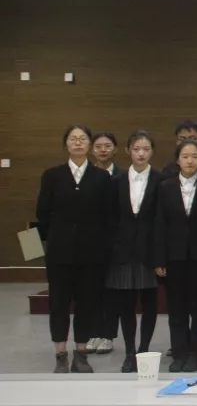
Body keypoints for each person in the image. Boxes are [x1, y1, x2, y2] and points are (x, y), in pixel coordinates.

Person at [37, 125, 115, 374]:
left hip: (91, 254)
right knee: (58, 303)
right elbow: (42, 214)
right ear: (66, 144)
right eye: (73, 139)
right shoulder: (52, 175)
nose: (78, 142)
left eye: (83, 139)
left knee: (86, 303)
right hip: (60, 253)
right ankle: (60, 354)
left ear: (89, 144)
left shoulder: (101, 177)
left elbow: (108, 216)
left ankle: (81, 353)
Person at [105, 130, 163, 373]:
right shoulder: (116, 180)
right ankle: (129, 352)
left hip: (149, 251)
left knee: (150, 304)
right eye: (136, 149)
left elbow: (162, 220)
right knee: (126, 306)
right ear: (128, 150)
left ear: (152, 152)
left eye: (146, 149)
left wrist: (160, 256)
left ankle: (144, 350)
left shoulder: (161, 179)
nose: (141, 153)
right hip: (123, 251)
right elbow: (109, 218)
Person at [154, 139, 197, 373]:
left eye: (195, 156)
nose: (190, 161)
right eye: (185, 156)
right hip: (174, 256)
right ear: (177, 160)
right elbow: (159, 224)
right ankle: (178, 352)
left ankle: (195, 351)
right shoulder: (165, 187)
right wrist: (159, 258)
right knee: (176, 307)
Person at [87, 132, 119, 356]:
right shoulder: (86, 175)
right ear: (92, 149)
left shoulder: (122, 175)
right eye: (98, 146)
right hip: (90, 242)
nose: (103, 150)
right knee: (91, 289)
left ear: (115, 149)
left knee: (111, 291)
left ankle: (108, 335)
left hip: (115, 242)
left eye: (107, 146)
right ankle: (93, 332)